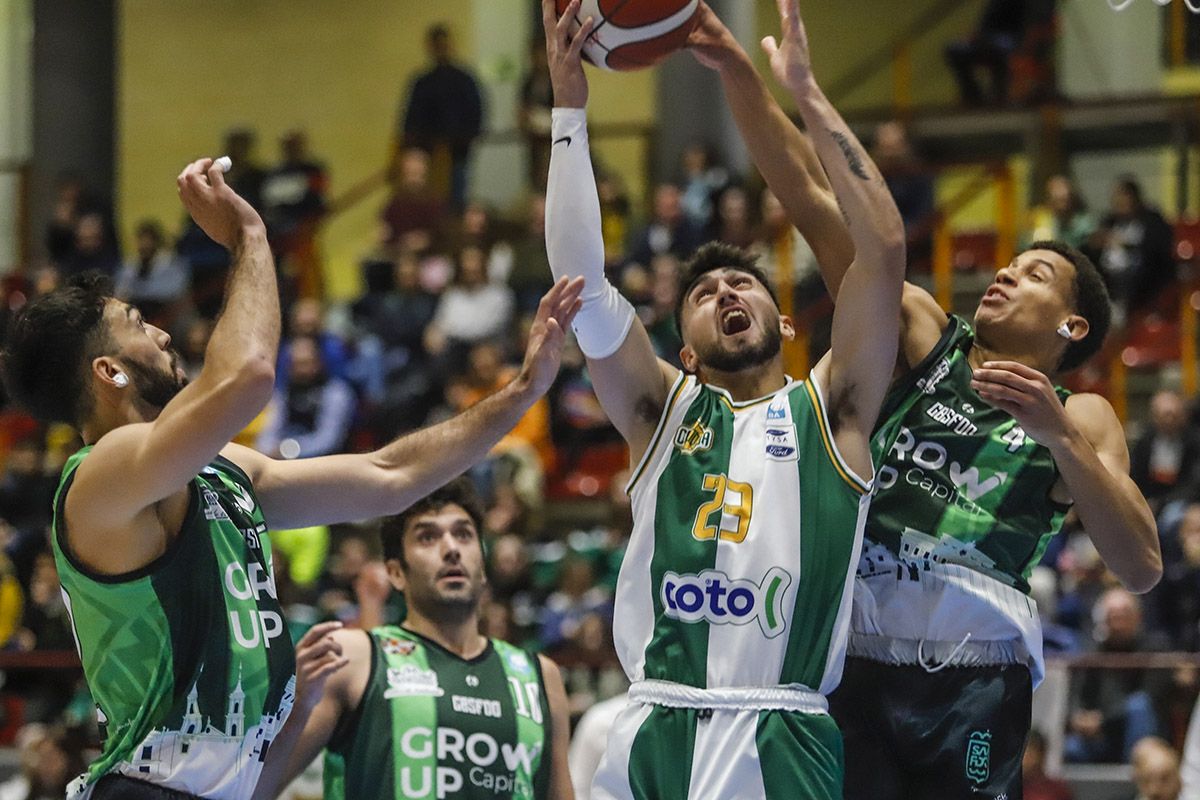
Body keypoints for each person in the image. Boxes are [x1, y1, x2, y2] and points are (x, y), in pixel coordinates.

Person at [688, 1, 1160, 797]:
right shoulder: (923, 337)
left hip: (974, 681)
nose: (1007, 273)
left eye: (1036, 274)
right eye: (1009, 264)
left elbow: (1141, 566)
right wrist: (757, 76)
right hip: (855, 657)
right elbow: (806, 192)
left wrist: (1059, 438)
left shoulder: (1081, 416)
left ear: (1073, 325)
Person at [0, 158, 583, 799]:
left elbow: (390, 476)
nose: (164, 332)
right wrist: (250, 237)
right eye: (140, 324)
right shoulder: (99, 476)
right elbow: (247, 373)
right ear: (109, 372)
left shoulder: (222, 471)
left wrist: (522, 393)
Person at [543, 0, 907, 796]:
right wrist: (569, 108)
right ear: (683, 348)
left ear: (783, 318)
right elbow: (581, 286)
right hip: (654, 726)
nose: (726, 293)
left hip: (783, 732)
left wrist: (805, 94)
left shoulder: (835, 409)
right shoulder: (660, 412)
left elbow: (881, 252)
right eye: (704, 292)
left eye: (743, 282)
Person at [256, 478, 573, 800]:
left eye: (463, 534)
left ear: (483, 567)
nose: (451, 549)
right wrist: (295, 708)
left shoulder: (540, 676)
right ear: (395, 573)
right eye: (427, 537)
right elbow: (253, 790)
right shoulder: (355, 656)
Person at [400, 23, 484, 211]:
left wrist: (466, 138)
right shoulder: (423, 82)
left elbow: (475, 112)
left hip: (457, 152)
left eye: (443, 44)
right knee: (427, 199)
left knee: (456, 198)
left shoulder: (463, 80)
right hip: (428, 152)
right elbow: (412, 117)